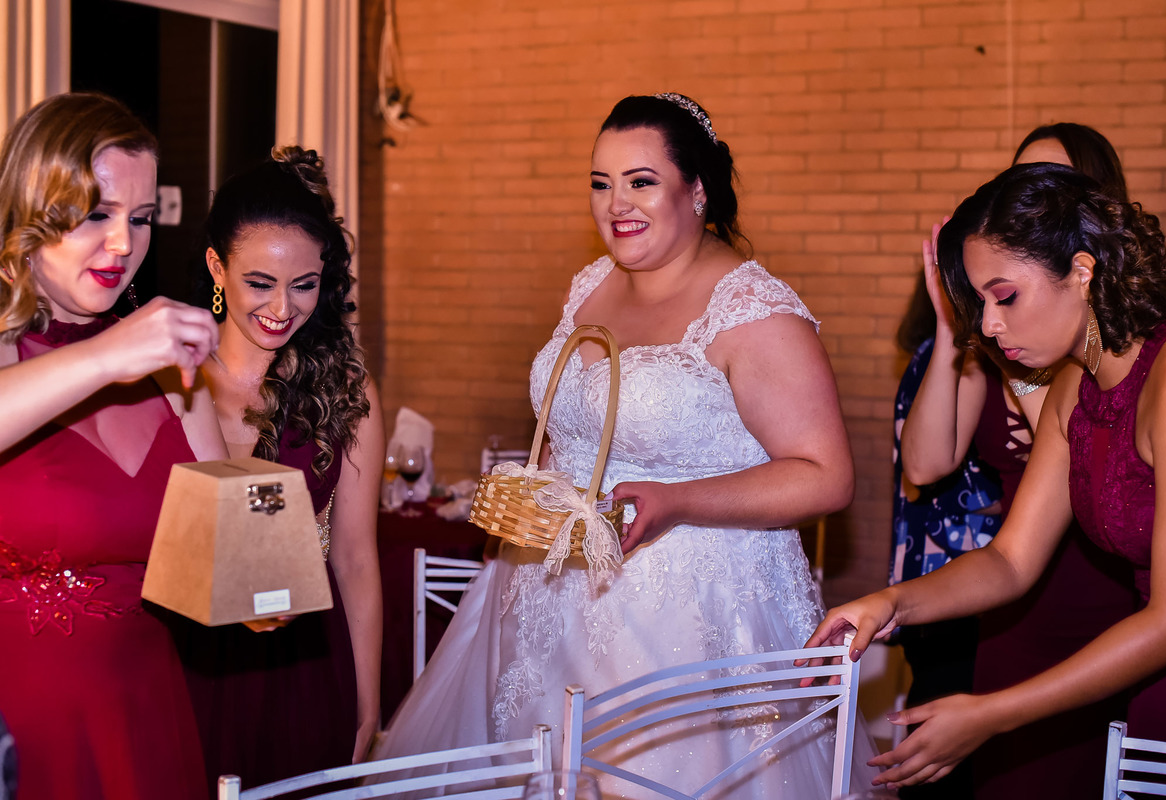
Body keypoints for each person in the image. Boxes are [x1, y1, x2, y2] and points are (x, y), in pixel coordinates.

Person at [374, 93, 875, 796]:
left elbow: (826, 477)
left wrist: (678, 501)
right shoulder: (589, 287)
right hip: (549, 592)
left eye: (641, 181)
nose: (617, 204)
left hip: (690, 614)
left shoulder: (754, 311)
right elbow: (572, 430)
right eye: (600, 183)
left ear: (696, 190)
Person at [809, 161, 1166, 790]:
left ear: (1081, 269)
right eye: (980, 301)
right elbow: (1012, 560)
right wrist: (891, 603)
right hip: (1156, 686)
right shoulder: (1075, 387)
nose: (988, 325)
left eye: (1005, 295)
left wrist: (991, 714)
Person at [898, 123, 1139, 799]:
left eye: (1047, 195)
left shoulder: (1109, 354)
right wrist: (958, 323)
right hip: (1017, 581)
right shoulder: (1001, 332)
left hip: (1104, 575)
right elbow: (923, 465)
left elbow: (1073, 473)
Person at [0, 92, 226, 799]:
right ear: (35, 207)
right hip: (25, 731)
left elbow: (225, 551)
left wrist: (261, 580)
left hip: (150, 713)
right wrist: (107, 356)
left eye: (142, 218)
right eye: (97, 213)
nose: (124, 244)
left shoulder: (171, 369)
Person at [172, 147, 384, 790]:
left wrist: (368, 699)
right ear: (216, 265)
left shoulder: (346, 390)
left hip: (304, 658)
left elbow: (354, 558)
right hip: (185, 655)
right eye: (260, 282)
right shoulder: (164, 379)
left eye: (304, 284)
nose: (282, 308)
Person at [888, 274, 1003, 800]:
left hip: (940, 570)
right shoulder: (954, 355)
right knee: (943, 740)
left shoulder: (957, 355)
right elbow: (924, 471)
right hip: (954, 576)